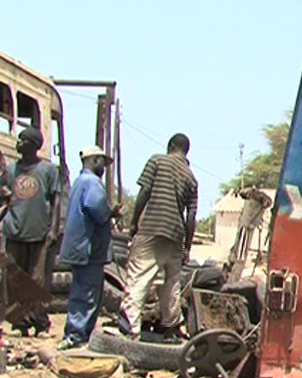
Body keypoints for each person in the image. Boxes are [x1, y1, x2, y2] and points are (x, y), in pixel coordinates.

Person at [118, 133, 197, 340]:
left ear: (170, 146)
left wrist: (134, 223)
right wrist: (186, 248)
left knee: (139, 277)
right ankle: (171, 328)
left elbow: (144, 191)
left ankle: (129, 328)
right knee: (171, 283)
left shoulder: (157, 160)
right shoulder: (191, 177)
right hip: (176, 233)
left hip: (153, 226)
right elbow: (191, 217)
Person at [57, 147, 121, 349]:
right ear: (94, 160)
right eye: (102, 162)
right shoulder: (93, 183)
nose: (103, 167)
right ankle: (77, 336)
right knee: (87, 294)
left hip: (80, 247)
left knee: (82, 291)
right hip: (89, 249)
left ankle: (77, 334)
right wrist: (112, 212)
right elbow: (97, 210)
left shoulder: (79, 181)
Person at [3, 128, 59, 337]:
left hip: (39, 233)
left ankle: (41, 323)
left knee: (38, 281)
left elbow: (55, 202)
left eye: (22, 140)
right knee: (15, 279)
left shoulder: (48, 170)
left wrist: (53, 230)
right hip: (14, 232)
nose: (18, 143)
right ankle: (20, 324)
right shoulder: (11, 170)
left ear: (34, 145)